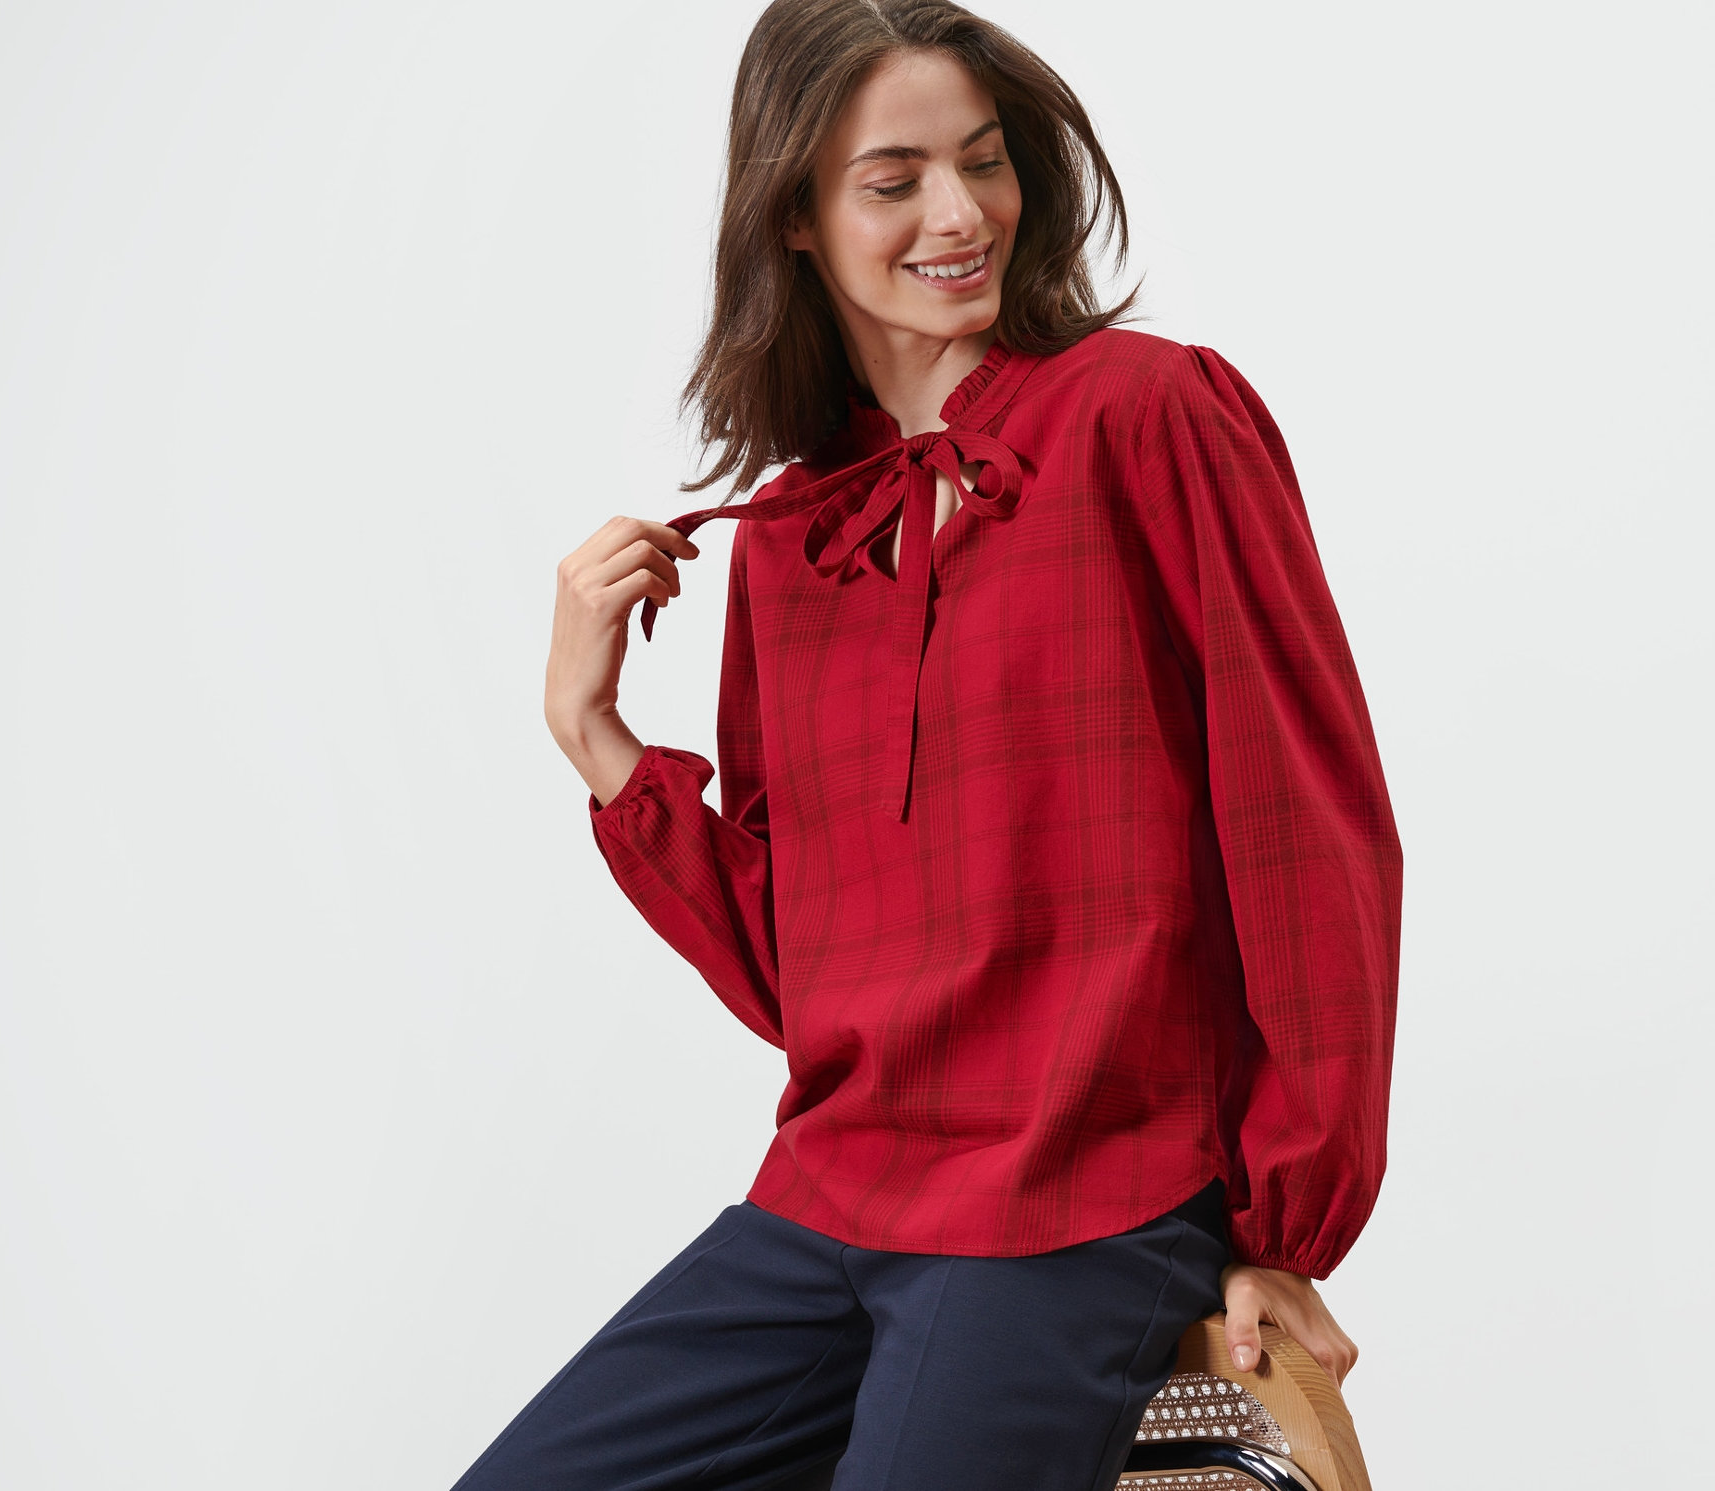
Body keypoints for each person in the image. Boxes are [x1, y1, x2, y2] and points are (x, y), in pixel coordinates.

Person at [463, 2, 1402, 1487]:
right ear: (791, 215)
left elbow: (1307, 831)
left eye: (982, 162)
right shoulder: (795, 529)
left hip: (1082, 1201)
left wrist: (1279, 1229)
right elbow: (799, 975)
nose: (960, 216)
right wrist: (596, 740)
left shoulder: (1149, 415)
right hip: (830, 1194)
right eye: (892, 181)